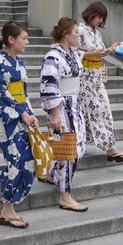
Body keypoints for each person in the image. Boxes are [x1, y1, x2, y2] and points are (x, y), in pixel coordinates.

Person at [0, 21, 39, 229]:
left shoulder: (20, 62)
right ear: (11, 39)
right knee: (18, 161)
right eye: (24, 38)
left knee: (28, 160)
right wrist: (21, 114)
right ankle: (7, 210)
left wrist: (30, 115)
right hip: (6, 120)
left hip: (21, 116)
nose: (27, 42)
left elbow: (23, 93)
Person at [40, 17, 88, 212]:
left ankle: (53, 173)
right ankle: (65, 195)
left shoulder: (72, 53)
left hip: (75, 104)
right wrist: (54, 114)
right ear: (66, 34)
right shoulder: (53, 56)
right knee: (69, 150)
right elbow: (49, 85)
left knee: (76, 145)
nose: (79, 35)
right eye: (76, 32)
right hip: (62, 107)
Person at [78, 1, 123, 163]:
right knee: (94, 111)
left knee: (103, 110)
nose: (101, 20)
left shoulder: (96, 32)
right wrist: (93, 53)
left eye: (102, 18)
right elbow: (73, 52)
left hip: (96, 77)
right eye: (99, 16)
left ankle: (106, 146)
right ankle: (109, 148)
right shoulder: (79, 30)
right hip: (84, 77)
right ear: (91, 14)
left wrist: (111, 49)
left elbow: (99, 54)